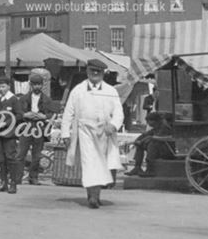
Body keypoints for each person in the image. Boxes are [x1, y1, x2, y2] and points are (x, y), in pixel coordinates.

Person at [60, 60, 124, 209]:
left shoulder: (111, 91)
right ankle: (93, 197)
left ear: (103, 73)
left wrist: (113, 126)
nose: (95, 74)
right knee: (89, 163)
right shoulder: (78, 90)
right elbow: (68, 113)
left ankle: (96, 194)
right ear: (87, 71)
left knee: (101, 165)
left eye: (98, 71)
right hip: (85, 131)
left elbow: (118, 113)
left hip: (104, 133)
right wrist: (65, 134)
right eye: (92, 71)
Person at [0, 76, 25, 194]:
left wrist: (7, 123)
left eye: (3, 87)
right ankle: (3, 183)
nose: (1, 89)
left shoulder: (14, 99)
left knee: (10, 158)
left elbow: (19, 115)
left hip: (10, 134)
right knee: (0, 159)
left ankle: (13, 183)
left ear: (9, 87)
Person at [17, 72, 52, 185]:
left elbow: (52, 114)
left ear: (42, 85)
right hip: (26, 125)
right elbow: (17, 112)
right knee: (21, 153)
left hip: (39, 127)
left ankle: (33, 177)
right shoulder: (23, 98)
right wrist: (25, 115)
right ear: (31, 85)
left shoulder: (47, 99)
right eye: (35, 84)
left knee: (36, 155)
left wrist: (45, 116)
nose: (37, 87)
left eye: (39, 84)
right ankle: (18, 177)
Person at [124, 112, 175, 177]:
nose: (148, 123)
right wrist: (138, 140)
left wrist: (148, 139)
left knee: (152, 145)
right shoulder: (156, 128)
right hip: (160, 150)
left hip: (168, 151)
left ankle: (150, 170)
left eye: (149, 121)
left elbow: (166, 138)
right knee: (141, 145)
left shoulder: (165, 127)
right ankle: (137, 167)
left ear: (156, 121)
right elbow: (146, 134)